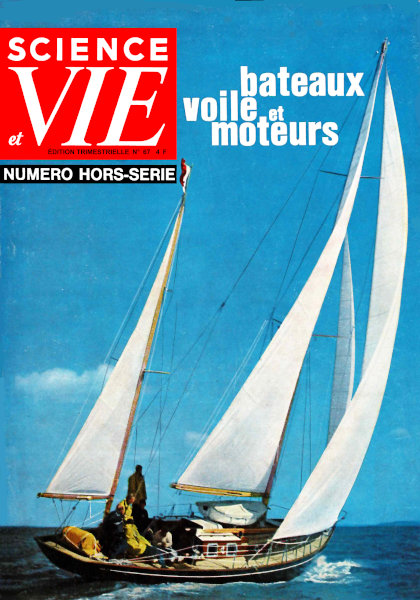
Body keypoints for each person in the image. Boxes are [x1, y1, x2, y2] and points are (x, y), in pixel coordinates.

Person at [117, 494, 165, 566]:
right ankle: (162, 565)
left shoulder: (142, 512)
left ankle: (154, 559)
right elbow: (132, 543)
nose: (133, 501)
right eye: (132, 500)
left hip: (139, 533)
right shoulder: (128, 526)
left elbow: (145, 522)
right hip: (139, 542)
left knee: (149, 543)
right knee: (157, 551)